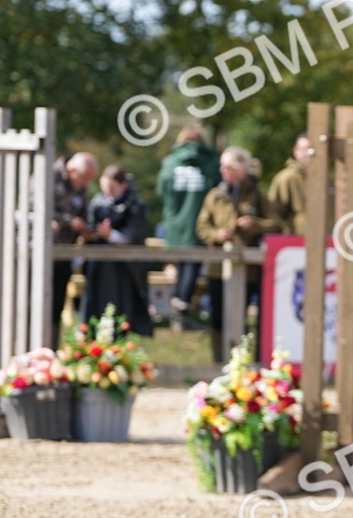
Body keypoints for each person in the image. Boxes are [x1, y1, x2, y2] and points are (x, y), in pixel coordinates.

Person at [196, 146, 283, 361]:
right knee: (219, 318)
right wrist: (217, 235)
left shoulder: (258, 196)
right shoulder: (215, 195)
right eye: (222, 166)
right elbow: (201, 226)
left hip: (250, 269)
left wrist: (255, 225)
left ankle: (246, 362)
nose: (223, 171)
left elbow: (277, 225)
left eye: (228, 166)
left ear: (242, 168)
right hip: (219, 269)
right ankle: (220, 362)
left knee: (246, 319)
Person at [157, 124, 220, 331]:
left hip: (175, 224)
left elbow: (161, 190)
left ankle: (179, 312)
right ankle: (182, 313)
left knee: (182, 267)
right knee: (191, 269)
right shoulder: (210, 161)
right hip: (199, 222)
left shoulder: (170, 162)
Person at [81, 165, 153, 337]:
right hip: (99, 265)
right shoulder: (98, 201)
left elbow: (134, 235)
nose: (108, 192)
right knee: (95, 307)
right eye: (104, 187)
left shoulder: (134, 204)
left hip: (124, 269)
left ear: (123, 185)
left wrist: (111, 234)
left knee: (120, 309)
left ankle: (119, 344)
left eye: (112, 187)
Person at [50, 151, 98, 346]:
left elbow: (84, 210)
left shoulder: (80, 184)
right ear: (70, 170)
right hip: (41, 252)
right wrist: (70, 222)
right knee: (37, 305)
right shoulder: (47, 176)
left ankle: (51, 348)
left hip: (66, 252)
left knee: (57, 305)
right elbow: (39, 208)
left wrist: (86, 227)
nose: (86, 185)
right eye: (84, 179)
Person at [267, 133, 310, 236]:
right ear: (296, 151)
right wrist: (286, 233)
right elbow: (273, 212)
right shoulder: (286, 178)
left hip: (328, 241)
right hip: (296, 242)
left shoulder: (328, 180)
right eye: (305, 149)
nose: (309, 153)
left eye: (312, 149)